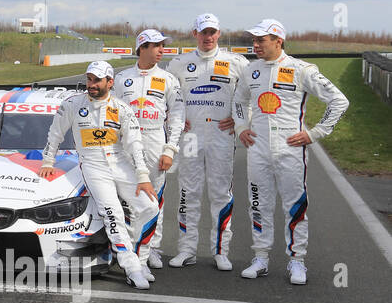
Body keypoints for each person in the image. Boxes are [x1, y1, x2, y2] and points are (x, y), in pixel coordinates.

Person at [233, 19, 348, 285]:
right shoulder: (251, 70)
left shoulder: (301, 69)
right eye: (254, 39)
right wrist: (241, 126)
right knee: (259, 205)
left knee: (295, 206)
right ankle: (260, 258)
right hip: (257, 148)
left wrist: (315, 133)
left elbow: (339, 101)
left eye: (261, 40)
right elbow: (238, 101)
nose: (255, 44)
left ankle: (297, 261)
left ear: (278, 40)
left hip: (291, 150)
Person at [39, 61, 159, 289]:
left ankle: (140, 258)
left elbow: (134, 144)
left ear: (110, 82)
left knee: (150, 206)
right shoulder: (73, 104)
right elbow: (55, 133)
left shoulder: (122, 108)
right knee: (112, 212)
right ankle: (131, 267)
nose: (91, 84)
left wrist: (143, 175)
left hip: (121, 164)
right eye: (89, 79)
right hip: (93, 165)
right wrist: (48, 161)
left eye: (97, 80)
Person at [168, 14, 248, 270]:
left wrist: (241, 122)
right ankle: (187, 249)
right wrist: (175, 120)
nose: (208, 37)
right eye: (203, 32)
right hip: (190, 137)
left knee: (220, 194)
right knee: (188, 192)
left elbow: (251, 95)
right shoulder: (180, 63)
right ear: (195, 33)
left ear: (219, 34)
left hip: (221, 136)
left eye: (212, 32)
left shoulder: (236, 62)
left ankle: (220, 251)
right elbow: (166, 97)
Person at [111, 29, 184, 270]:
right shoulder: (122, 78)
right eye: (157, 46)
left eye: (163, 46)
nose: (162, 50)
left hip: (154, 139)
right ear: (142, 47)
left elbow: (177, 117)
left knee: (154, 199)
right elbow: (109, 113)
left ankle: (152, 248)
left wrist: (170, 149)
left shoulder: (168, 79)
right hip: (126, 142)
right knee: (126, 197)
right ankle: (128, 247)